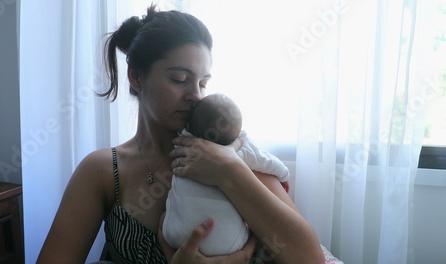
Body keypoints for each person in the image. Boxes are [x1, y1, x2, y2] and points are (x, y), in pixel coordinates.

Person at [37, 5, 325, 264]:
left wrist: (229, 172)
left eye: (203, 82)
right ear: (136, 77)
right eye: (180, 79)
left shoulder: (231, 149)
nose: (196, 96)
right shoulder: (102, 170)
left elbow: (311, 259)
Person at [162, 93, 291, 256]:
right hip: (230, 245)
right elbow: (267, 161)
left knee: (163, 222)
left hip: (177, 237)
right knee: (251, 228)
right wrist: (284, 176)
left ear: (188, 127)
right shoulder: (242, 149)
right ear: (237, 134)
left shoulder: (184, 146)